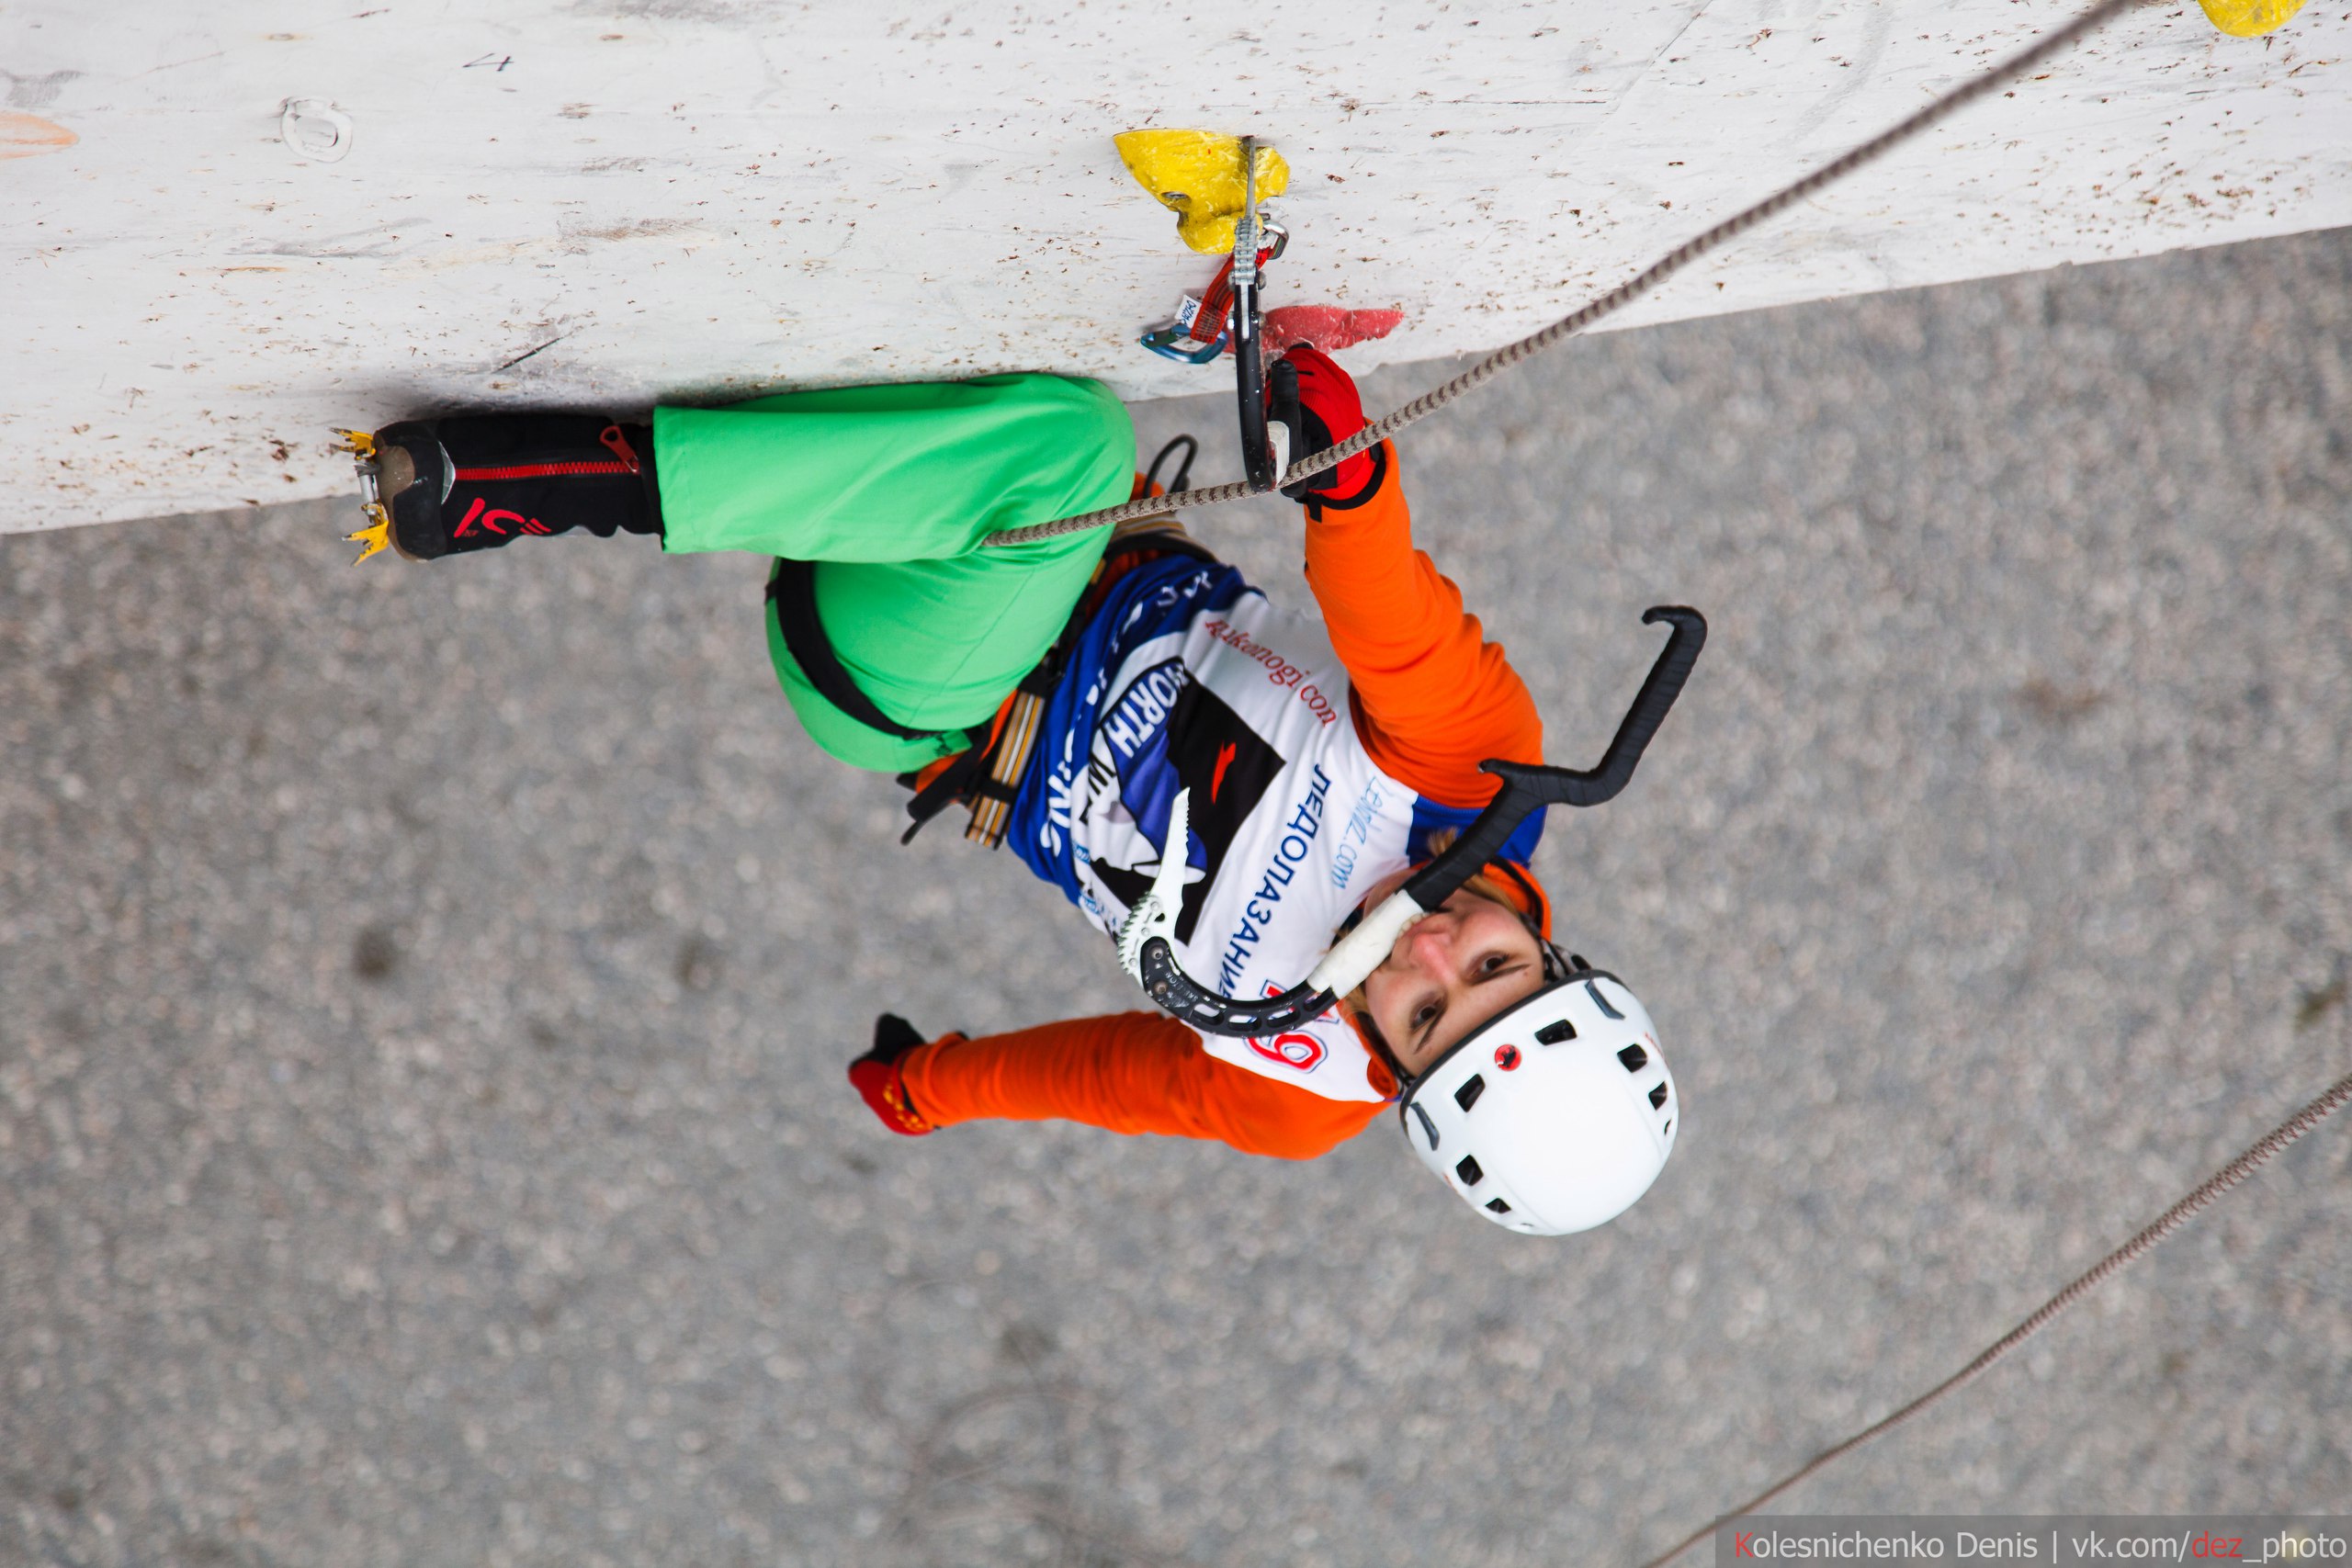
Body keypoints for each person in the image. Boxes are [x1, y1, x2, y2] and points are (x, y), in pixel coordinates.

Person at [346, 347, 1680, 1235]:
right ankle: (789, 475)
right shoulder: (1476, 778)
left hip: (909, 682)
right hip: (1012, 549)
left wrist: (934, 1086)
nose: (1438, 945)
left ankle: (543, 488)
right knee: (1045, 469)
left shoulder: (1294, 1089)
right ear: (1552, 944)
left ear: (1390, 1073)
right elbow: (1388, 614)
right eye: (1501, 964)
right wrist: (1351, 480)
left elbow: (1106, 1075)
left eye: (1430, 1007)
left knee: (1069, 445)